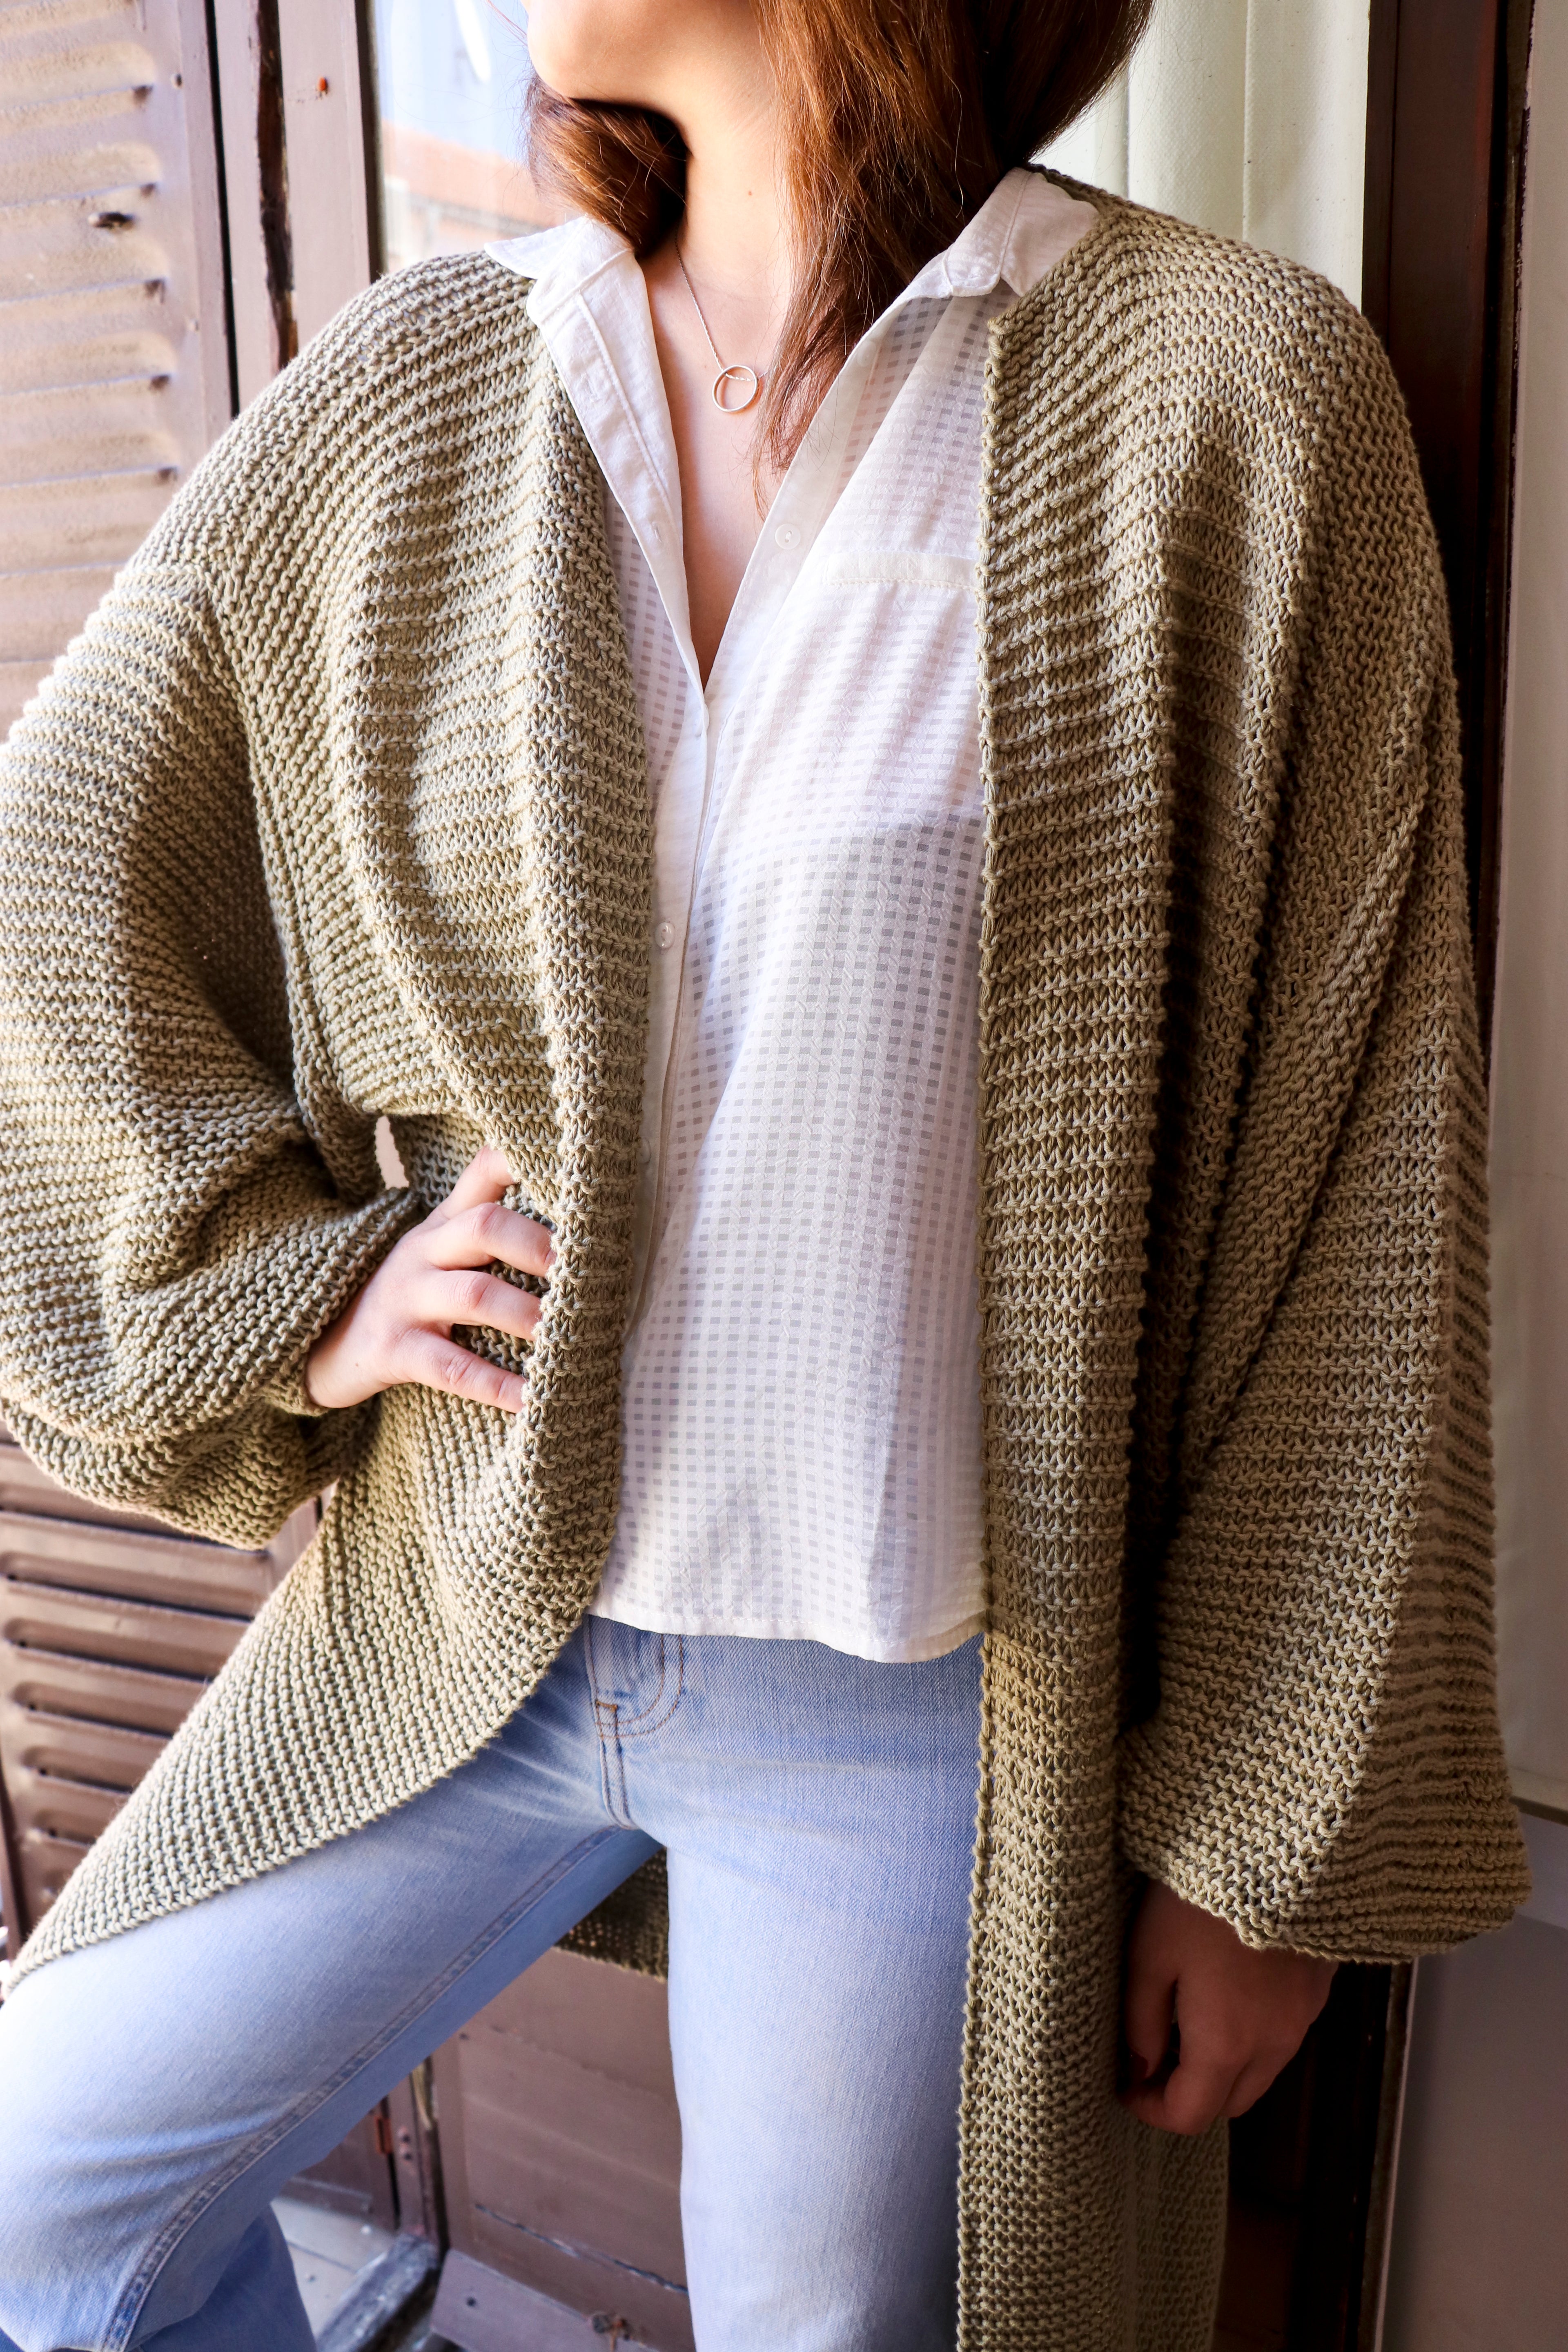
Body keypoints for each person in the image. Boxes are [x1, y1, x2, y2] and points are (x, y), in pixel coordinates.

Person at [0, 0, 1529, 2346]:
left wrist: (1259, 1849)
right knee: (46, 2207)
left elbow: (1358, 1177)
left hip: (910, 1693)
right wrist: (297, 1290)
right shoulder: (435, 386)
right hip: (467, 1605)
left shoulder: (1225, 401)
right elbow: (61, 879)